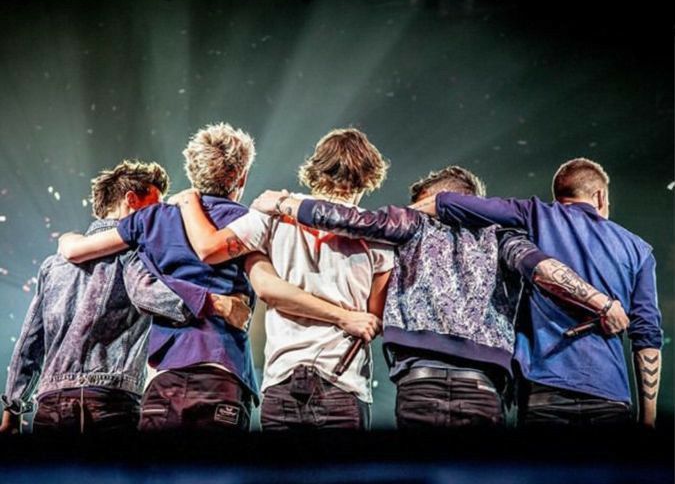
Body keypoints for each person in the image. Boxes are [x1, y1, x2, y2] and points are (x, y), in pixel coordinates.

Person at [251, 164, 629, 429]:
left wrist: (284, 204)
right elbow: (544, 269)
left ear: (441, 199)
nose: (415, 207)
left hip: (420, 382)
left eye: (422, 201)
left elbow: (353, 220)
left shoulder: (413, 223)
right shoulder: (504, 237)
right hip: (482, 386)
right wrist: (602, 303)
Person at [59, 123, 379, 433]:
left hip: (165, 375)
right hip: (223, 371)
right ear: (241, 177)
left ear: (193, 171)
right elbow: (261, 280)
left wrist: (66, 239)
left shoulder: (152, 217)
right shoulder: (249, 220)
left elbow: (77, 251)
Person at [411, 156, 662, 427]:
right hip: (609, 394)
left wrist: (402, 215)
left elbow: (448, 202)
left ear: (558, 195)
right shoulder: (638, 250)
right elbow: (646, 336)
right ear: (600, 196)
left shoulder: (535, 215)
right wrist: (648, 418)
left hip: (543, 390)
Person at [170, 127, 394, 430]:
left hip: (282, 377)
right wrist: (343, 315)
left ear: (315, 168)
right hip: (343, 381)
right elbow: (372, 319)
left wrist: (189, 200)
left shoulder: (271, 213)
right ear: (369, 175)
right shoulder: (378, 236)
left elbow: (209, 249)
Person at [0, 159, 236, 437]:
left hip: (51, 403)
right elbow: (147, 294)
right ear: (131, 201)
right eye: (155, 205)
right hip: (110, 401)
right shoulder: (135, 253)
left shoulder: (53, 264)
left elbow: (30, 341)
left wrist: (13, 410)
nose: (160, 216)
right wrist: (210, 302)